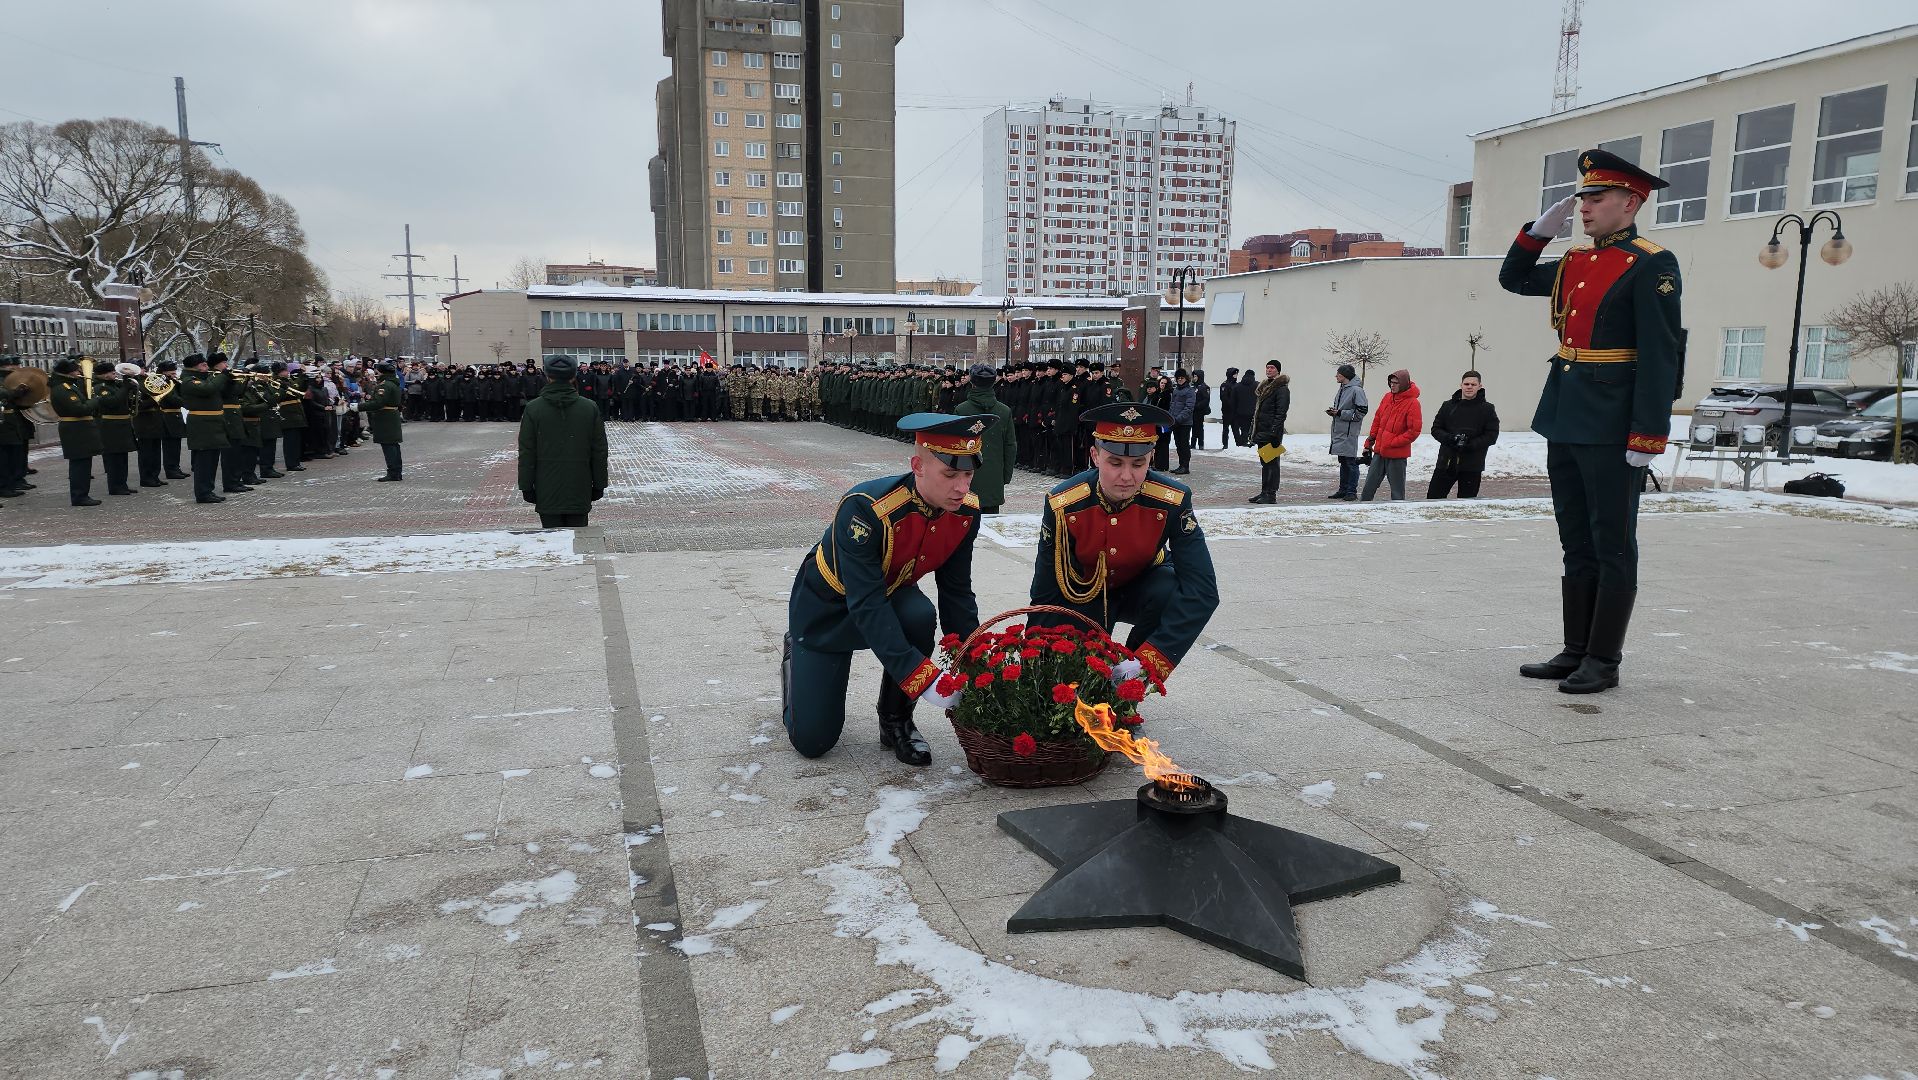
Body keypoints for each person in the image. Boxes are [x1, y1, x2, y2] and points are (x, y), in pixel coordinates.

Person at [1500, 148, 1683, 694]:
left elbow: (1661, 353)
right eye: (1581, 199)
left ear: (1630, 203)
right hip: (1568, 411)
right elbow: (1513, 279)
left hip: (1612, 419)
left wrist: (1648, 433)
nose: (1584, 208)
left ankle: (1603, 659)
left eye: (1595, 199)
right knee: (1576, 539)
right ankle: (1575, 649)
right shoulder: (1577, 262)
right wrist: (1537, 234)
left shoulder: (1652, 263)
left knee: (1613, 541)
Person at [784, 412, 995, 766]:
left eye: (968, 474)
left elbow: (957, 592)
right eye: (950, 474)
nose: (962, 487)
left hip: (889, 590)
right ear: (918, 465)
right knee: (813, 741)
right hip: (828, 608)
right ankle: (794, 657)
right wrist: (921, 677)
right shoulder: (866, 509)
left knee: (919, 615)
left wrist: (974, 663)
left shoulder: (965, 513)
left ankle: (896, 720)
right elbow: (866, 603)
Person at [1029, 401, 1219, 687]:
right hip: (1084, 593)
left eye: (1138, 464)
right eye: (1115, 463)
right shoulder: (1064, 503)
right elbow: (1045, 589)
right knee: (1073, 685)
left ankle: (1129, 685)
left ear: (1151, 458)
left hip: (1143, 589)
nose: (1126, 476)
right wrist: (1034, 662)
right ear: (1094, 455)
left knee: (1169, 589)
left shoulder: (1174, 500)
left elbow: (1202, 590)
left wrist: (1148, 661)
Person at [518, 355, 609, 528]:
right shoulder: (589, 407)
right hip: (580, 485)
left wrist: (526, 485)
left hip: (546, 485)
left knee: (552, 545)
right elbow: (599, 450)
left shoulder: (533, 408)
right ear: (573, 376)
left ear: (548, 376)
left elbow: (526, 451)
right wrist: (599, 483)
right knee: (578, 541)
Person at [950, 364, 1015, 514]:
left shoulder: (962, 410)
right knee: (991, 527)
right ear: (993, 382)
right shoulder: (1004, 411)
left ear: (972, 382)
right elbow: (1010, 446)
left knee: (965, 524)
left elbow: (952, 447)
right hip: (994, 477)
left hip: (965, 478)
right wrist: (1004, 476)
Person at [1427, 371, 1501, 499]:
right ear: (1461, 385)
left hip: (1472, 464)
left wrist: (1471, 445)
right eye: (1466, 384)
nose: (1469, 387)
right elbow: (1436, 429)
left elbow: (1491, 435)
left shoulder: (1487, 409)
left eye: (1473, 384)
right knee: (1433, 499)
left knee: (1467, 502)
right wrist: (1450, 439)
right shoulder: (1448, 406)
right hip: (1446, 462)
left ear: (1480, 386)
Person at [48, 357, 103, 506]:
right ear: (68, 372)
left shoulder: (70, 386)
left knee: (84, 463)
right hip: (74, 429)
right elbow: (79, 409)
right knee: (79, 464)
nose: (79, 372)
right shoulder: (62, 388)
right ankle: (79, 496)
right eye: (76, 370)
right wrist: (95, 400)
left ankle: (82, 494)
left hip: (80, 429)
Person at [177, 353, 231, 503]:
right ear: (194, 367)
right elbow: (208, 389)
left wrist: (229, 379)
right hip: (202, 424)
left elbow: (222, 391)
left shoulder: (205, 377)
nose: (207, 367)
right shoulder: (189, 381)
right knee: (204, 462)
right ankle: (202, 492)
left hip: (213, 423)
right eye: (203, 365)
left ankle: (209, 490)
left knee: (212, 460)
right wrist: (222, 375)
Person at [1360, 369, 1420, 502]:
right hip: (1379, 453)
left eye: (1396, 383)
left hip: (1397, 456)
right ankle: (1361, 511)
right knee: (1368, 488)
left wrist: (1393, 442)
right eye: (1391, 382)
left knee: (1397, 493)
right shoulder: (1387, 397)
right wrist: (1369, 442)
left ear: (1404, 383)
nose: (1392, 385)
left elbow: (1413, 431)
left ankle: (1398, 516)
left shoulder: (1412, 403)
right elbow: (1377, 421)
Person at [95, 363, 140, 497]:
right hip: (110, 425)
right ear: (104, 374)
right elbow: (113, 402)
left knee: (122, 457)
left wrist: (131, 387)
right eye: (112, 372)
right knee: (114, 459)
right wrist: (125, 387)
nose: (115, 374)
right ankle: (115, 486)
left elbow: (126, 398)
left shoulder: (115, 385)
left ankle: (122, 484)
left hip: (122, 424)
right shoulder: (100, 387)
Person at [1249, 360, 1290, 504]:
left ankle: (1271, 494)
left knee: (1272, 464)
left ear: (1278, 370)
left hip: (1272, 433)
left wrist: (1274, 432)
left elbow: (1281, 413)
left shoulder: (1281, 389)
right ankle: (1264, 491)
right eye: (1267, 367)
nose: (1269, 370)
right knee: (1265, 463)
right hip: (1262, 432)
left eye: (1272, 368)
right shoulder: (1265, 387)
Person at [1326, 364, 1368, 501]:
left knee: (1350, 462)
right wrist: (1336, 412)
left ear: (1345, 375)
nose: (1336, 376)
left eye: (1338, 373)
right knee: (1343, 460)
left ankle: (1351, 491)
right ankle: (1343, 489)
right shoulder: (1342, 389)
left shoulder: (1356, 390)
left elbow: (1361, 412)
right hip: (1340, 431)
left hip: (1349, 432)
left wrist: (1340, 413)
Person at [0, 353, 33, 498]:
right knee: (5, 458)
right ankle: (5, 486)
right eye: (9, 365)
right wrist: (15, 392)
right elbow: (4, 394)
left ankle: (15, 481)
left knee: (15, 454)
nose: (13, 368)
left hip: (12, 420)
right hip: (4, 424)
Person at [368, 361, 405, 481]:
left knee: (389, 446)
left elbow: (379, 402)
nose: (376, 373)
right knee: (393, 445)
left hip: (385, 417)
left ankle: (393, 472)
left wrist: (358, 407)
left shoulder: (385, 385)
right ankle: (396, 472)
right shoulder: (392, 383)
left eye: (378, 371)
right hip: (391, 416)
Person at [1168, 369, 1196, 475]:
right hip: (1175, 422)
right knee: (1178, 444)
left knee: (1184, 444)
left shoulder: (1190, 391)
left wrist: (1178, 419)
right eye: (1178, 378)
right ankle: (1181, 465)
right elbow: (1172, 405)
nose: (1180, 380)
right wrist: (1170, 418)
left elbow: (1189, 408)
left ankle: (1185, 466)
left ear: (1186, 378)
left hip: (1184, 423)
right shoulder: (1176, 390)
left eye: (1182, 378)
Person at [1191, 368, 1212, 450]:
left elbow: (1206, 400)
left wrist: (1197, 406)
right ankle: (1193, 444)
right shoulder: (1193, 386)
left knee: (1199, 427)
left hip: (1199, 411)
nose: (1194, 378)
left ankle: (1200, 443)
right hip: (1193, 411)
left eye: (1196, 376)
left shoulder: (1204, 387)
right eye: (1194, 376)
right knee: (1194, 427)